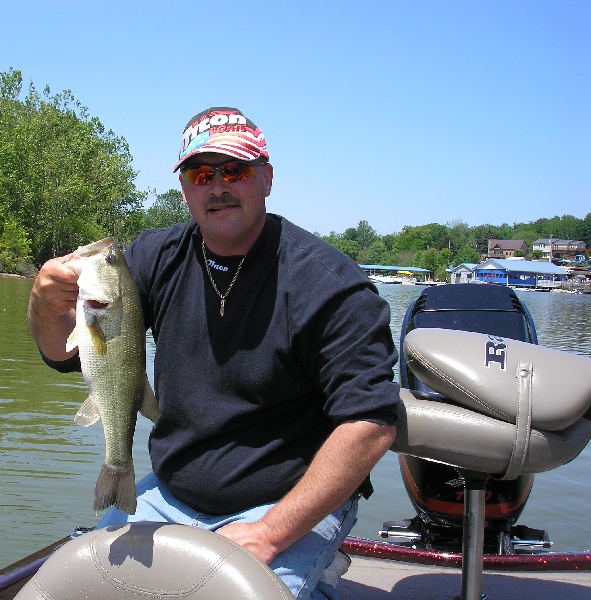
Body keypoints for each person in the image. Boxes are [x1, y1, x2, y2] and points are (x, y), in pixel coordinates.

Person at [27, 107, 400, 599]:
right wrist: (43, 304)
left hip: (283, 506)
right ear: (185, 188)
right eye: (202, 174)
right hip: (168, 493)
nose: (218, 186)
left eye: (236, 170)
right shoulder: (153, 258)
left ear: (266, 178)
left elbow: (370, 422)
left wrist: (270, 534)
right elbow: (65, 355)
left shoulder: (328, 286)